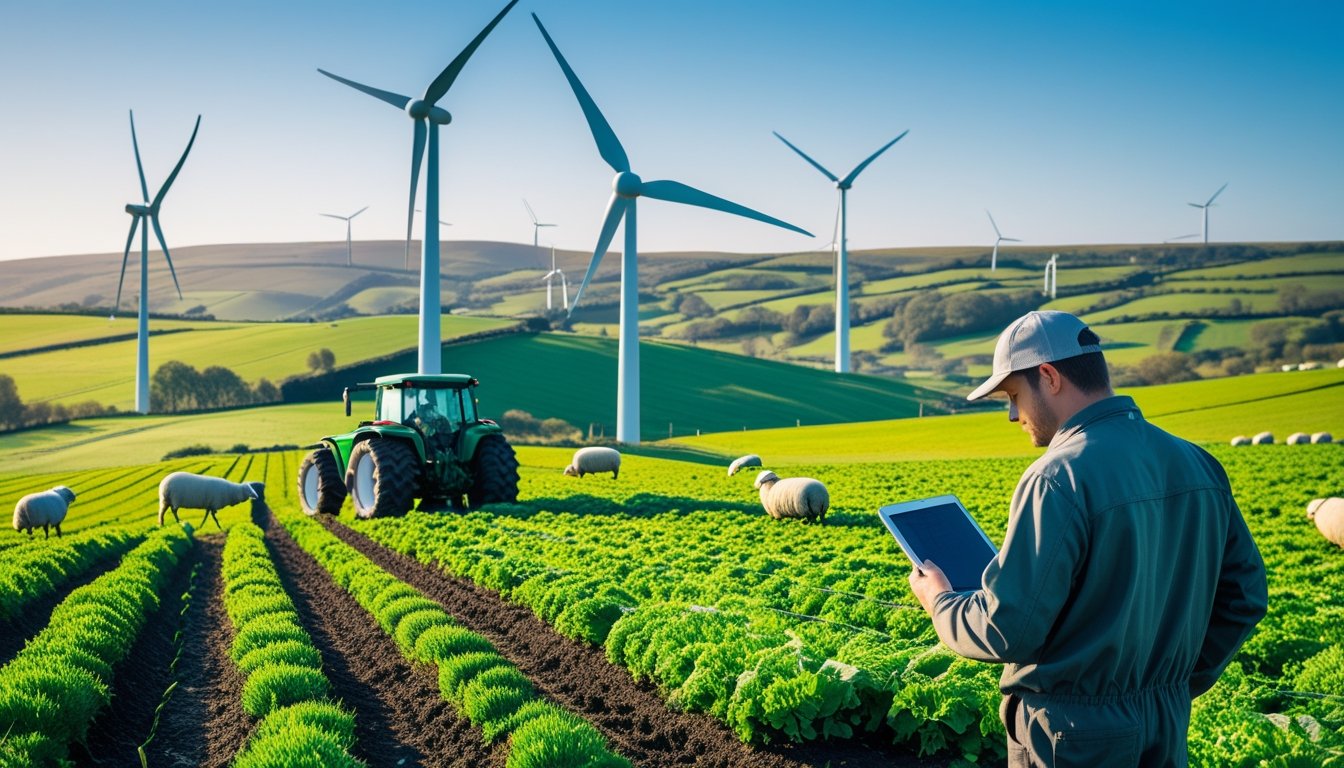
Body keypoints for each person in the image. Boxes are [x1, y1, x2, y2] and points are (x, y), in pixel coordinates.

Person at [907, 310, 1267, 767]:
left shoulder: (1057, 476)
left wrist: (941, 602)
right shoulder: (1198, 463)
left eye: (1014, 395)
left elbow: (1006, 630)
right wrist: (1172, 682)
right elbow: (1246, 597)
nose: (1013, 414)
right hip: (1168, 718)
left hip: (1072, 733)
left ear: (1049, 376)